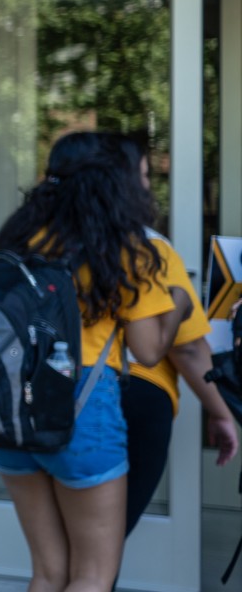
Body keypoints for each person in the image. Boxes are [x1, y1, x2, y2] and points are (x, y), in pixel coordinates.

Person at [0, 131, 194, 592]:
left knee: (47, 573)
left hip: (11, 405)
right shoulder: (123, 248)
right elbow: (148, 350)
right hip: (81, 402)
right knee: (92, 576)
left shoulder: (21, 237)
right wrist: (178, 300)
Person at [110, 133, 239, 535]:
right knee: (99, 557)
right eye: (145, 175)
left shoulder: (46, 244)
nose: (149, 186)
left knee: (56, 563)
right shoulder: (149, 248)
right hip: (136, 397)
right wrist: (221, 412)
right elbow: (185, 349)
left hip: (54, 395)